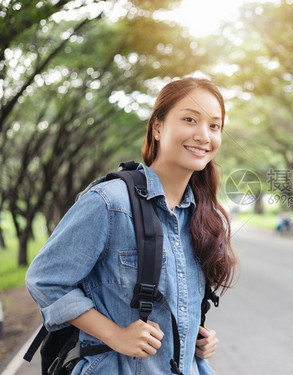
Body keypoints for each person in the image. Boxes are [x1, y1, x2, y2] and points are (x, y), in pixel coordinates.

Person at [26, 77, 237, 374]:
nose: (204, 135)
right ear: (158, 127)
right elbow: (46, 278)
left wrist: (198, 340)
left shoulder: (203, 217)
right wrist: (115, 334)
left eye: (214, 126)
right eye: (190, 119)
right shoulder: (109, 202)